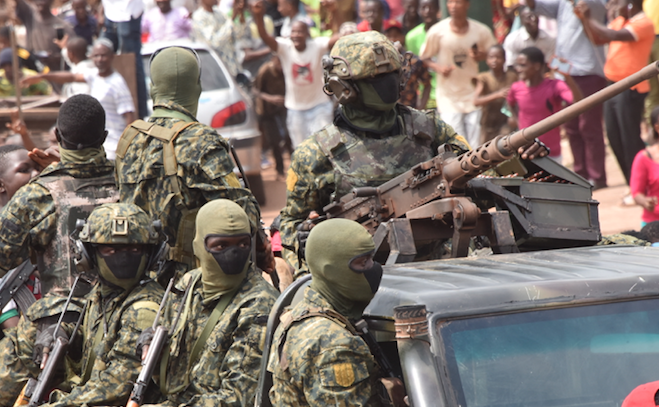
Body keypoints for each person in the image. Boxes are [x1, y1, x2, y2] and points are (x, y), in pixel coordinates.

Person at [279, 31, 548, 271]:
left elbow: (476, 167)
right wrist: (306, 243)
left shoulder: (428, 128)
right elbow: (291, 223)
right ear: (344, 87)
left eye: (392, 74)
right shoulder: (317, 153)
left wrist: (520, 159)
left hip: (443, 263)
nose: (389, 83)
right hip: (364, 276)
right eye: (376, 78)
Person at [0, 94, 119, 405]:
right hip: (125, 319)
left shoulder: (36, 196)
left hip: (58, 325)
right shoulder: (132, 183)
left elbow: (4, 258)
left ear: (58, 135)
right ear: (104, 137)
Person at [114, 46, 270, 280]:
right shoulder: (202, 141)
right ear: (197, 87)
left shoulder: (129, 139)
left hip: (137, 279)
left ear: (153, 88)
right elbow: (241, 215)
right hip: (191, 285)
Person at [140, 199, 278, 406]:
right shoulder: (190, 284)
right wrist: (151, 349)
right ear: (199, 246)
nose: (233, 253)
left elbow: (239, 397)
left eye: (242, 244)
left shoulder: (259, 305)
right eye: (220, 245)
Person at [29, 203, 166, 406]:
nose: (124, 258)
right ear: (88, 254)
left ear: (152, 254)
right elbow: (99, 342)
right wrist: (61, 332)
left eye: (135, 249)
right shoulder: (103, 293)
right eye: (110, 250)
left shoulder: (144, 308)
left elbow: (117, 385)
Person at [268, 218, 386, 405]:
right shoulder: (335, 345)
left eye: (372, 258)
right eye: (362, 263)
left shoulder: (297, 314)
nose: (373, 268)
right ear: (330, 271)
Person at [527, 0, 608, 190]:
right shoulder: (563, 3)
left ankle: (597, 177)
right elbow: (537, 6)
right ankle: (580, 176)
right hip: (565, 72)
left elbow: (592, 7)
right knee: (571, 127)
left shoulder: (594, 3)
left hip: (588, 71)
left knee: (589, 126)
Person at [576, 0, 654, 186]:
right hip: (611, 86)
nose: (613, 6)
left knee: (630, 138)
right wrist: (583, 20)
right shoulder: (620, 20)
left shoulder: (644, 23)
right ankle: (632, 183)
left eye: (617, 2)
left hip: (631, 87)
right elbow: (597, 39)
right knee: (614, 136)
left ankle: (642, 184)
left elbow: (609, 34)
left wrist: (588, 18)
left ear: (630, 4)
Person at [23, 39, 136, 159]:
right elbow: (71, 77)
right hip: (100, 145)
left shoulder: (117, 83)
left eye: (103, 55)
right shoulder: (94, 76)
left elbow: (129, 116)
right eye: (96, 55)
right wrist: (42, 76)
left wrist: (127, 146)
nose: (100, 59)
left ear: (111, 57)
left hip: (114, 146)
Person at [253, 0, 339, 148]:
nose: (296, 35)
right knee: (301, 151)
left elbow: (338, 37)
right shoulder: (285, 48)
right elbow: (265, 36)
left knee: (329, 147)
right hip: (295, 110)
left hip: (320, 106)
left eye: (300, 31)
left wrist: (334, 12)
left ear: (307, 34)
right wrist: (258, 16)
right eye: (293, 32)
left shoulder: (317, 46)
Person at [420, 0, 497, 148]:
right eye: (450, 2)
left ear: (467, 4)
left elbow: (494, 54)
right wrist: (439, 67)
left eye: (458, 2)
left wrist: (482, 55)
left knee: (476, 146)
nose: (453, 6)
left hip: (473, 95)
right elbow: (424, 57)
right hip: (449, 98)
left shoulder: (481, 31)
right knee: (457, 145)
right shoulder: (438, 31)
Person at [507, 46, 582, 164]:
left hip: (551, 152)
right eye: (518, 65)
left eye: (523, 65)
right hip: (526, 151)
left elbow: (577, 103)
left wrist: (567, 77)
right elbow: (510, 104)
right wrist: (516, 120)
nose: (518, 69)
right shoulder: (516, 88)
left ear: (537, 66)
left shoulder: (555, 86)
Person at [100, 0, 148, 118]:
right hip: (110, 12)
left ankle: (140, 113)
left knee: (132, 63)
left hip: (128, 11)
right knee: (101, 54)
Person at [11, 0, 74, 70]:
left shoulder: (63, 26)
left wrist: (58, 58)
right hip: (35, 73)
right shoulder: (30, 17)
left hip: (56, 73)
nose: (39, 2)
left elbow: (74, 54)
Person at [255, 54, 290, 179]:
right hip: (267, 111)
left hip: (285, 107)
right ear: (273, 59)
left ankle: (295, 169)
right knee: (274, 141)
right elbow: (255, 90)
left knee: (288, 137)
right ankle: (279, 171)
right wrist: (271, 98)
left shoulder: (288, 68)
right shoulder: (265, 71)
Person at [474, 44, 517, 145]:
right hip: (488, 124)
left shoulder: (512, 77)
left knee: (505, 148)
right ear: (486, 60)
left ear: (504, 59)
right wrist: (497, 95)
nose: (495, 60)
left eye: (498, 57)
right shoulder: (483, 78)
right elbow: (476, 101)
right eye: (491, 57)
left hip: (506, 123)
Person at [384, 19, 431, 110]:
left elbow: (427, 84)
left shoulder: (414, 61)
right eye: (389, 36)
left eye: (396, 36)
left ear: (402, 37)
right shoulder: (381, 62)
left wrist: (421, 108)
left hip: (409, 111)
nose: (393, 39)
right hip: (388, 112)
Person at [192, 0, 243, 78]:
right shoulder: (199, 17)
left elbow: (237, 36)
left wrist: (240, 15)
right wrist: (232, 19)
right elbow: (214, 43)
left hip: (233, 67)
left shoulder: (219, 12)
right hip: (216, 71)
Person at [405, 0, 439, 109]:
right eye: (424, 8)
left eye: (431, 7)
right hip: (425, 96)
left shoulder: (446, 32)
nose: (427, 11)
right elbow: (413, 69)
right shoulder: (412, 37)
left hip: (447, 94)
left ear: (438, 9)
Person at [631, 106, 659, 227]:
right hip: (654, 224)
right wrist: (646, 202)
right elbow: (637, 194)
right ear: (657, 127)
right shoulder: (644, 158)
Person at [58, 35, 94, 101]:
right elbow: (70, 59)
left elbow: (83, 98)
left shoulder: (81, 72)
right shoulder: (87, 65)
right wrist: (63, 48)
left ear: (71, 54)